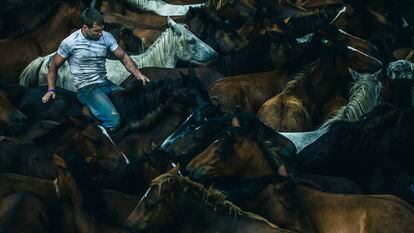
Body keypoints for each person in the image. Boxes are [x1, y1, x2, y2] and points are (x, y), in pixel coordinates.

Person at [41, 8, 149, 134]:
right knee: (113, 121)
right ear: (85, 27)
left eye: (102, 30)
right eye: (96, 31)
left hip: (106, 84)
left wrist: (138, 74)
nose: (100, 34)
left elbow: (123, 57)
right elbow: (53, 66)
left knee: (132, 107)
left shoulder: (106, 36)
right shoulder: (70, 42)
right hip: (88, 88)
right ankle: (102, 144)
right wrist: (51, 89)